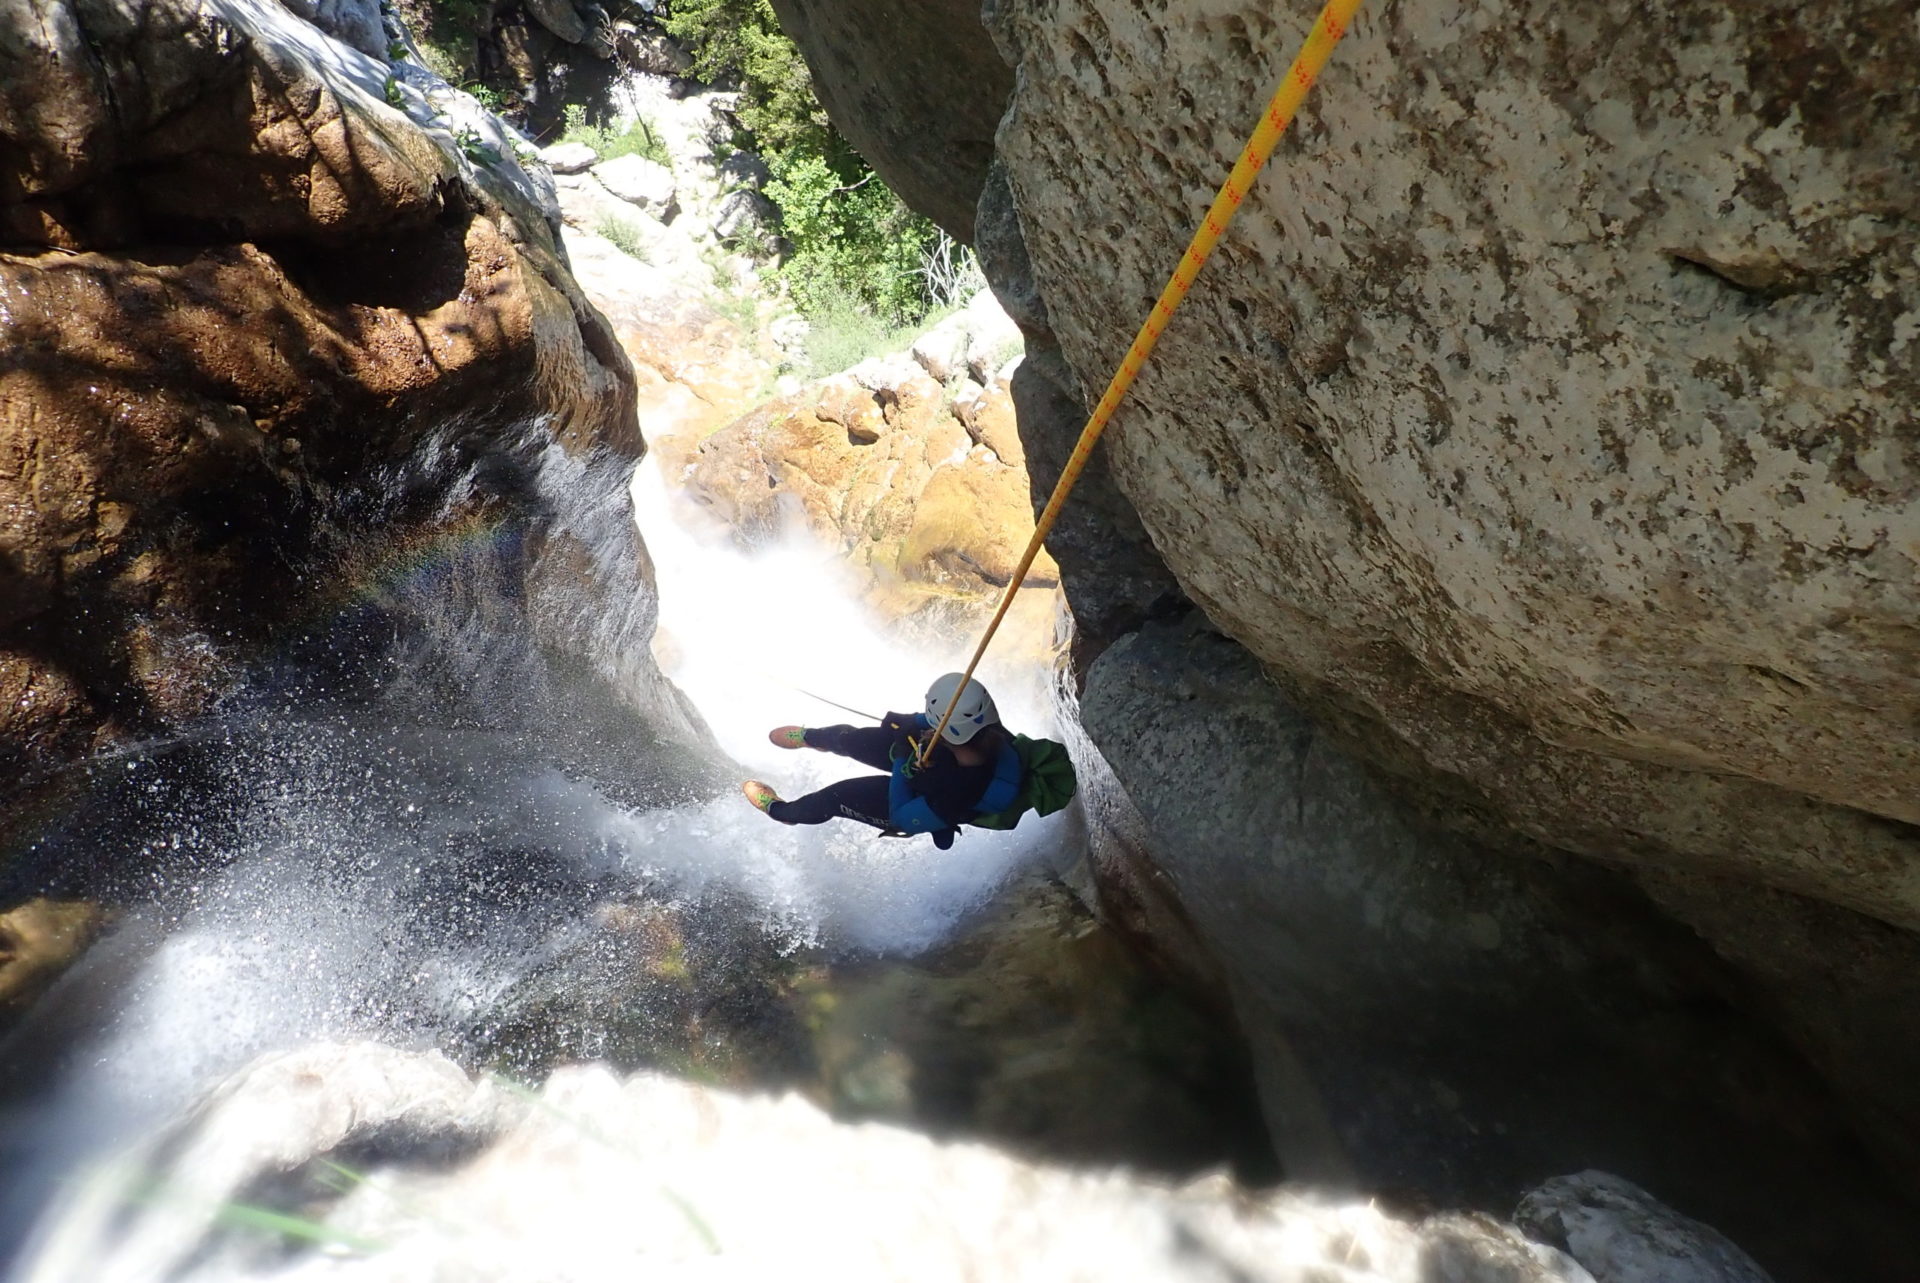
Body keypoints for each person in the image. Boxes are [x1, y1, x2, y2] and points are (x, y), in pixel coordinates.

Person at [741, 673, 1023, 850]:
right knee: (851, 738)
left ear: (946, 733)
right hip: (930, 759)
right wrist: (912, 721)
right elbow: (955, 718)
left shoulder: (958, 793)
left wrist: (902, 759)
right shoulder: (986, 730)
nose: (928, 726)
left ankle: (781, 811)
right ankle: (812, 738)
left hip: (916, 798)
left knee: (834, 797)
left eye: (932, 724)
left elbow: (902, 816)